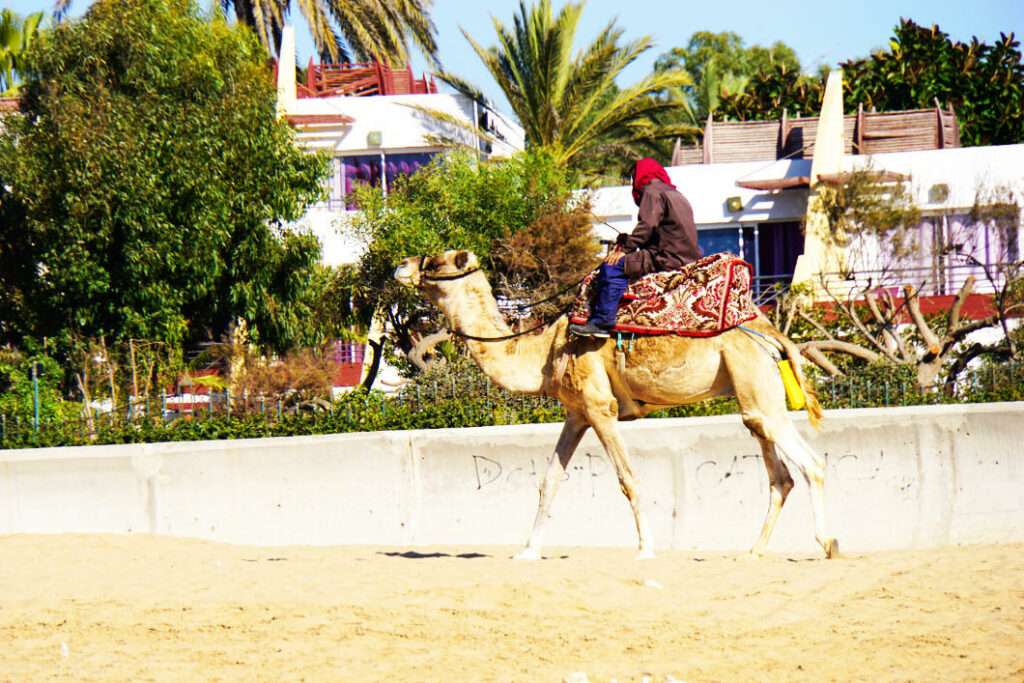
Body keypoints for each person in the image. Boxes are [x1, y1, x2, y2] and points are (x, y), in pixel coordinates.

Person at [569, 158, 702, 338]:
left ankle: (602, 322)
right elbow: (661, 231)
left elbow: (647, 226)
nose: (634, 184)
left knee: (612, 266)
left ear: (642, 175)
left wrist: (624, 249)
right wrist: (629, 240)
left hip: (666, 257)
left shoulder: (652, 191)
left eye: (634, 177)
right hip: (685, 255)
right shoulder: (676, 194)